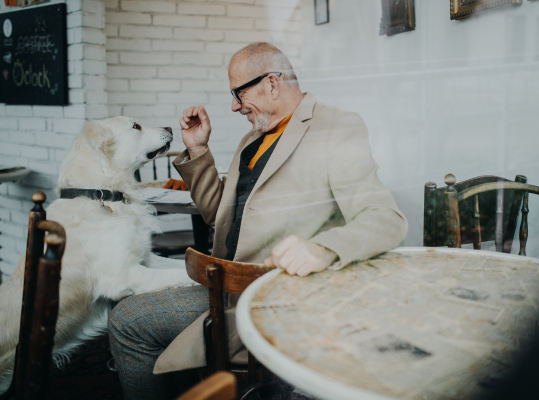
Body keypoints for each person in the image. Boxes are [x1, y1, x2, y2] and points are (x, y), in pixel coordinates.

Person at [108, 42, 408, 400]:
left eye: (238, 93)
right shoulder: (253, 138)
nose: (234, 106)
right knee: (125, 313)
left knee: (128, 322)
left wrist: (323, 248)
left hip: (271, 298)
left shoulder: (336, 127)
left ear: (271, 83)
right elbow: (217, 214)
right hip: (224, 285)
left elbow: (384, 218)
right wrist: (199, 150)